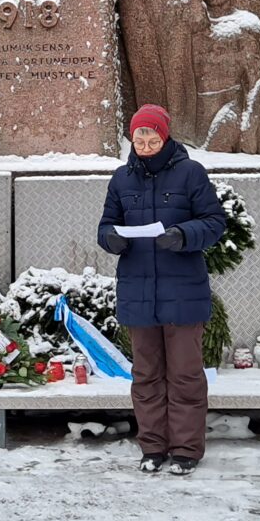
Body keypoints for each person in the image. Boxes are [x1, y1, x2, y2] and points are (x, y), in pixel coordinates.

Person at [97, 104, 226, 476]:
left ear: (165, 136)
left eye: (153, 135)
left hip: (183, 293)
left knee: (185, 375)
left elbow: (215, 222)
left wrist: (184, 235)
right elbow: (106, 225)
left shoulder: (190, 173)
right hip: (139, 294)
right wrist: (112, 239)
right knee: (146, 376)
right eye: (140, 135)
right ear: (132, 138)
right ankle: (152, 447)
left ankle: (186, 450)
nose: (146, 142)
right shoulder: (121, 179)